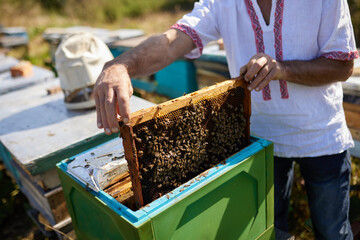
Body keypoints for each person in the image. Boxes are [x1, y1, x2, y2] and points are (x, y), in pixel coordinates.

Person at [94, 0, 358, 239]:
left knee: (332, 231)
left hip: (321, 135)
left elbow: (342, 65)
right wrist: (121, 64)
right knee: (269, 229)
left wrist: (282, 69)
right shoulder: (221, 3)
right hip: (258, 139)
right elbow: (170, 43)